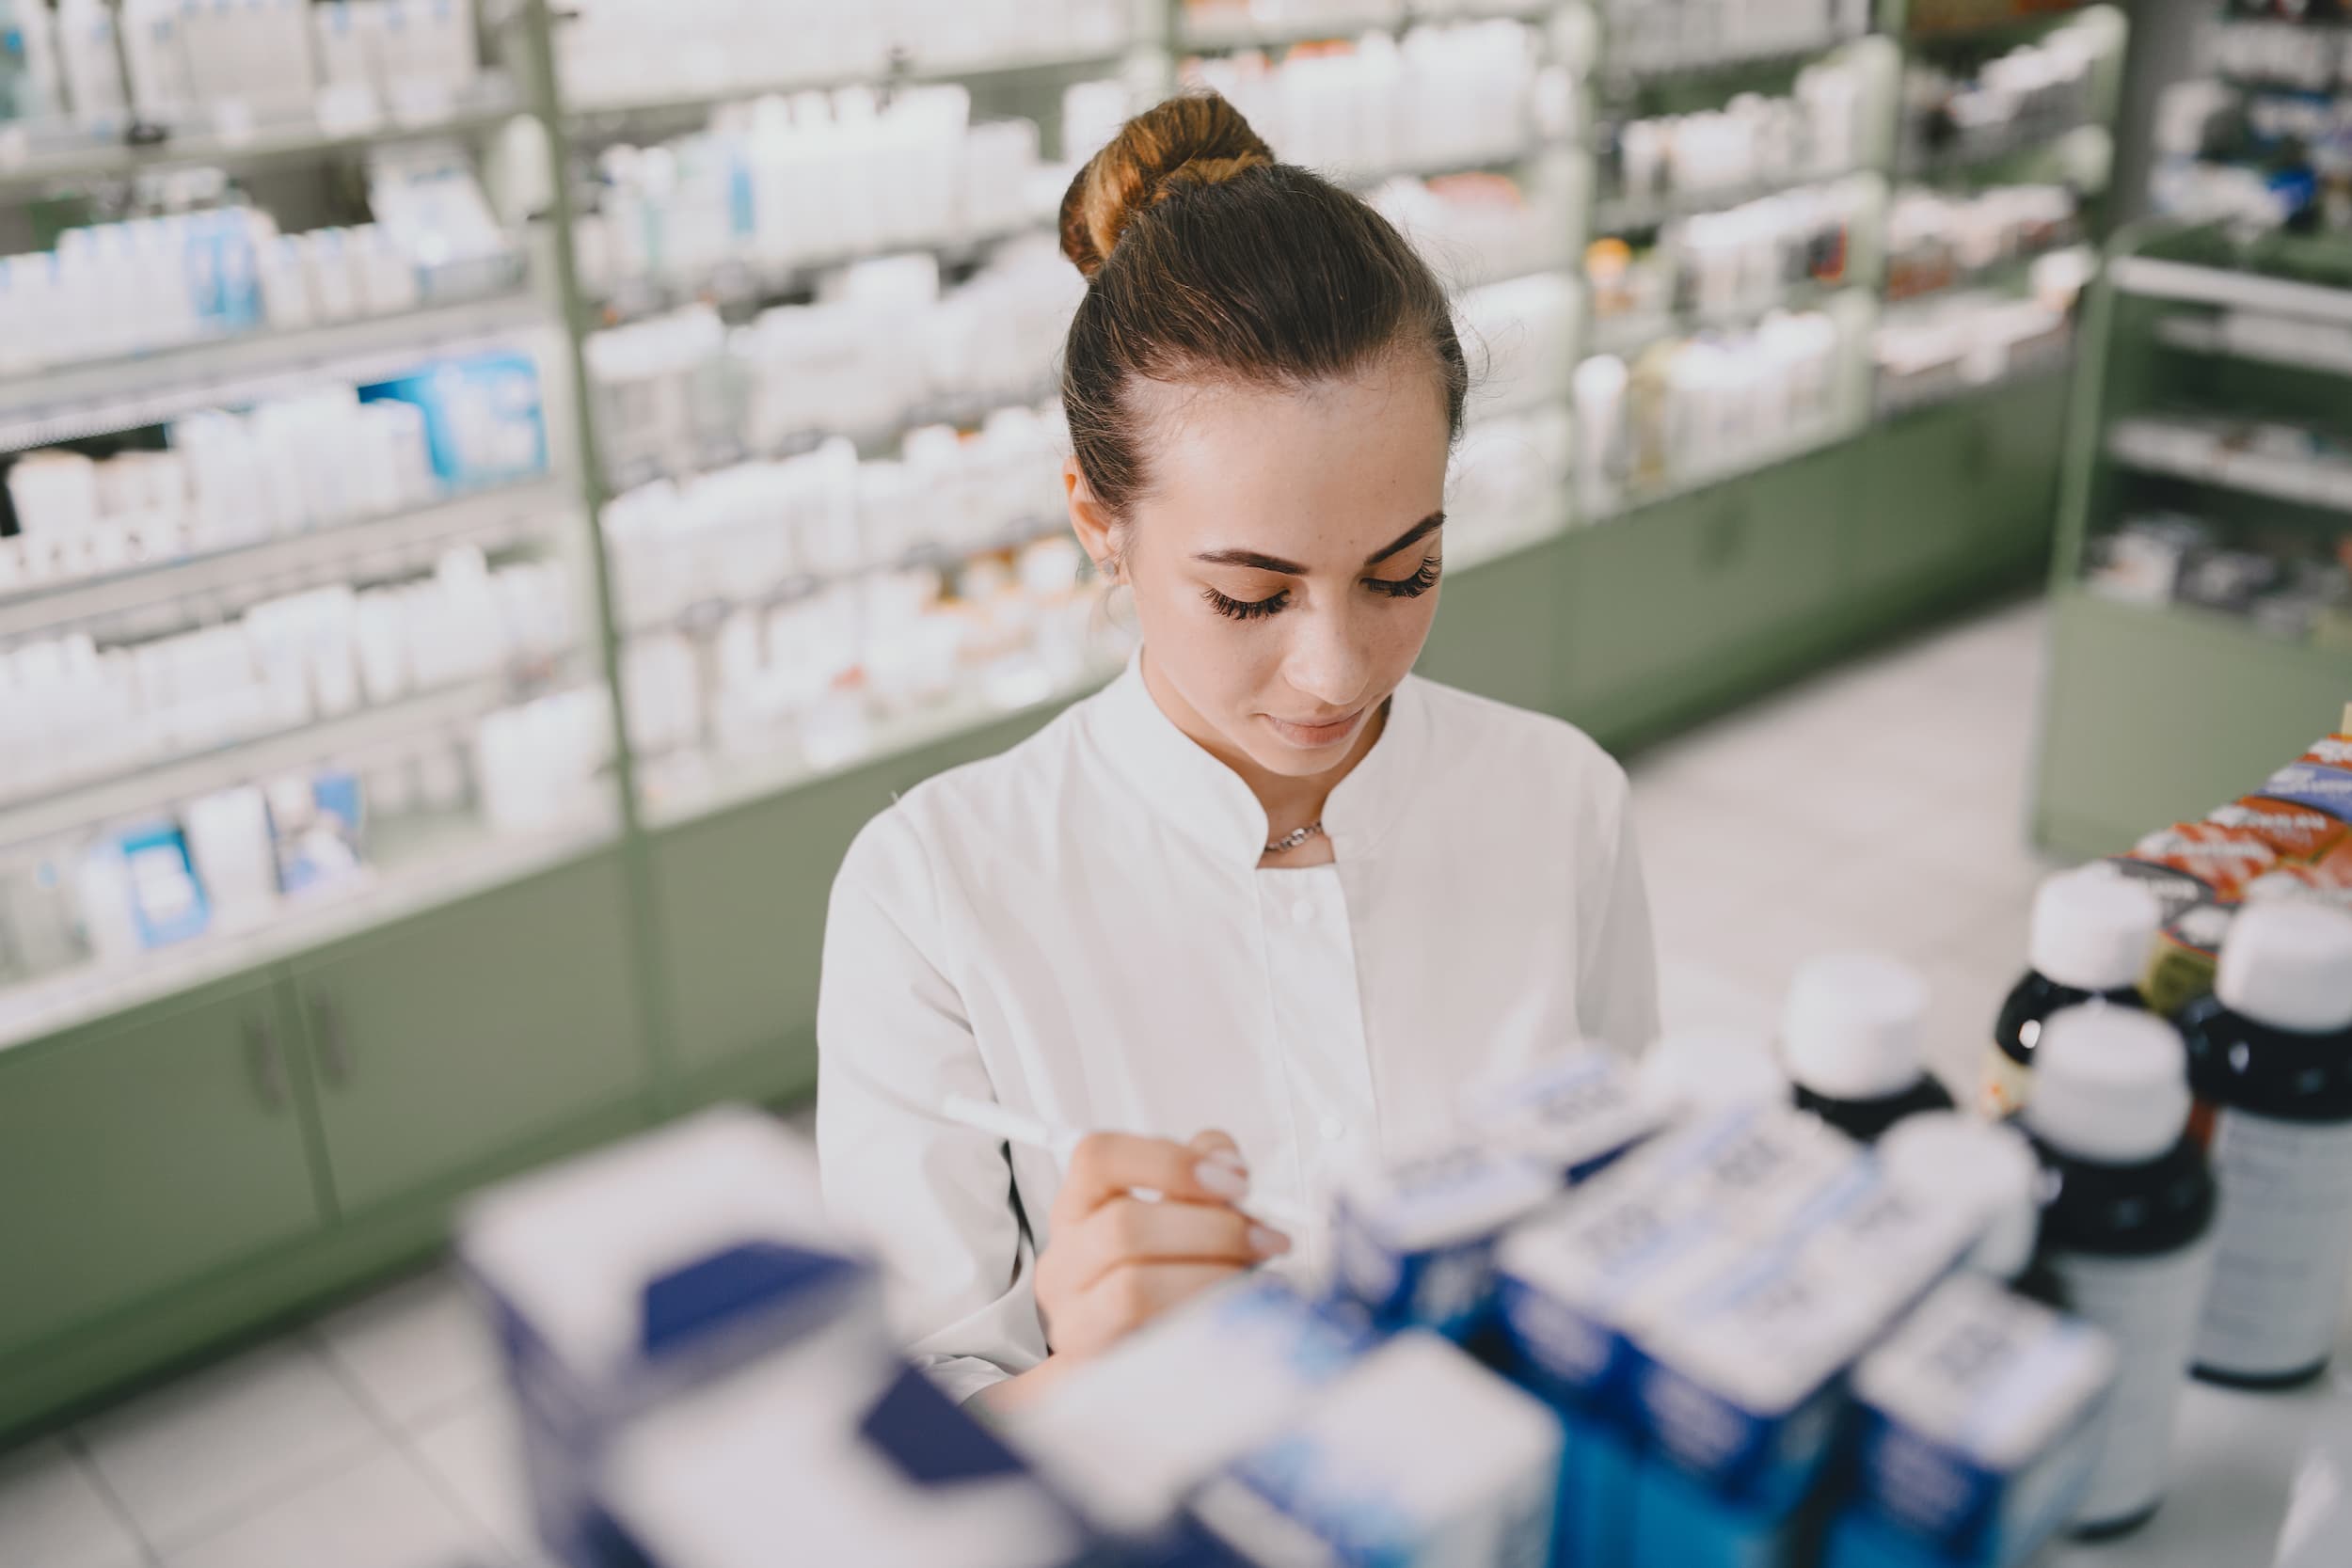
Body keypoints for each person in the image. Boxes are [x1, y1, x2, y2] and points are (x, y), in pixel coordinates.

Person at [816, 93, 1658, 1411]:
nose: (1335, 672)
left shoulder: (1561, 804)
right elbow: (894, 1460)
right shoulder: (935, 891)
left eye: (1405, 573)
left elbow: (1631, 1230)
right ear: (1099, 518)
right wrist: (1085, 1365)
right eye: (1250, 598)